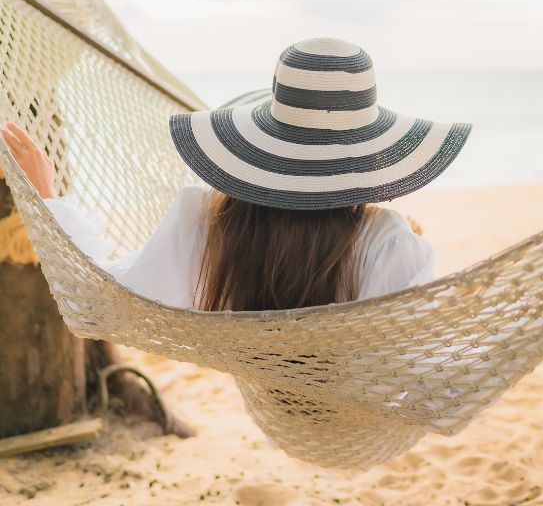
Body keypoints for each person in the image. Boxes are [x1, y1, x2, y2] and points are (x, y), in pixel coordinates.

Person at [0, 37, 472, 312]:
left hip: (275, 398)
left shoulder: (204, 223)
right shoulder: (390, 243)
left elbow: (102, 296)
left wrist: (48, 202)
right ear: (370, 156)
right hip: (352, 406)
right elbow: (418, 360)